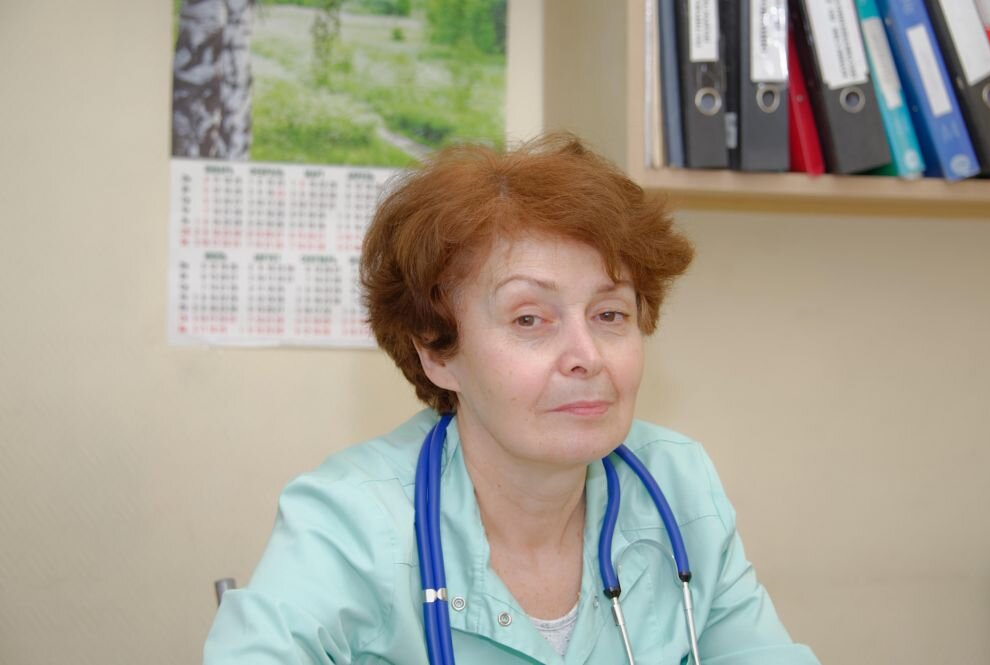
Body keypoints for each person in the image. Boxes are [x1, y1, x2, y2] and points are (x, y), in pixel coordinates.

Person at [203, 134, 820, 664]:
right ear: (438, 352)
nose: (586, 355)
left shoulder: (677, 486)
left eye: (610, 314)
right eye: (530, 319)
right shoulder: (351, 521)